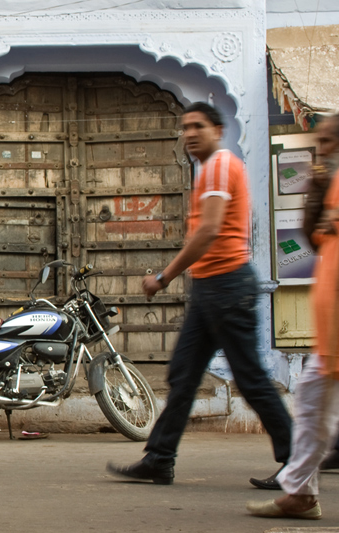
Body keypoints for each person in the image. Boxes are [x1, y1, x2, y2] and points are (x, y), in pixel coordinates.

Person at [106, 102, 292, 486]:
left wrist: (164, 277)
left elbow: (208, 231)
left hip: (228, 285)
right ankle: (160, 458)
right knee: (184, 374)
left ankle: (296, 463)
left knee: (250, 379)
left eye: (198, 126)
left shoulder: (221, 165)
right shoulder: (210, 170)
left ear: (218, 131)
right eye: (185, 127)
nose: (189, 134)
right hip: (211, 288)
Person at [247, 114, 339, 520]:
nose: (321, 148)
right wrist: (316, 191)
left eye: (327, 140)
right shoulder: (330, 185)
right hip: (329, 323)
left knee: (315, 408)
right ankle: (300, 493)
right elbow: (312, 238)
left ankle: (300, 493)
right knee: (313, 406)